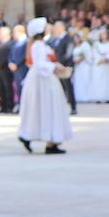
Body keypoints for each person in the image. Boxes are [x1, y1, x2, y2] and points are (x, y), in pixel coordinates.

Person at [16, 17, 72, 154]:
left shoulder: (41, 44)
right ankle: (30, 136)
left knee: (48, 110)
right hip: (42, 82)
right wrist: (55, 66)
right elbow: (40, 64)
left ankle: (51, 142)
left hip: (44, 80)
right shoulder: (38, 46)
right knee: (45, 109)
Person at [50, 20, 76, 115]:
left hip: (66, 66)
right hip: (57, 66)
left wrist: (60, 63)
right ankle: (60, 107)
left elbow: (68, 53)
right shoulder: (55, 39)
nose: (55, 29)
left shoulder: (68, 38)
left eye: (56, 27)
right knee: (59, 87)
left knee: (68, 87)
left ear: (62, 28)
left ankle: (73, 107)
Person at [9, 22, 28, 109]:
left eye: (14, 32)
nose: (13, 34)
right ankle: (20, 105)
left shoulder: (27, 42)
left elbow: (25, 55)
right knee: (18, 88)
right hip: (15, 69)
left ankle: (24, 106)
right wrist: (11, 63)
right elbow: (10, 54)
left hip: (23, 68)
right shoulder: (13, 43)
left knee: (24, 87)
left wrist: (17, 63)